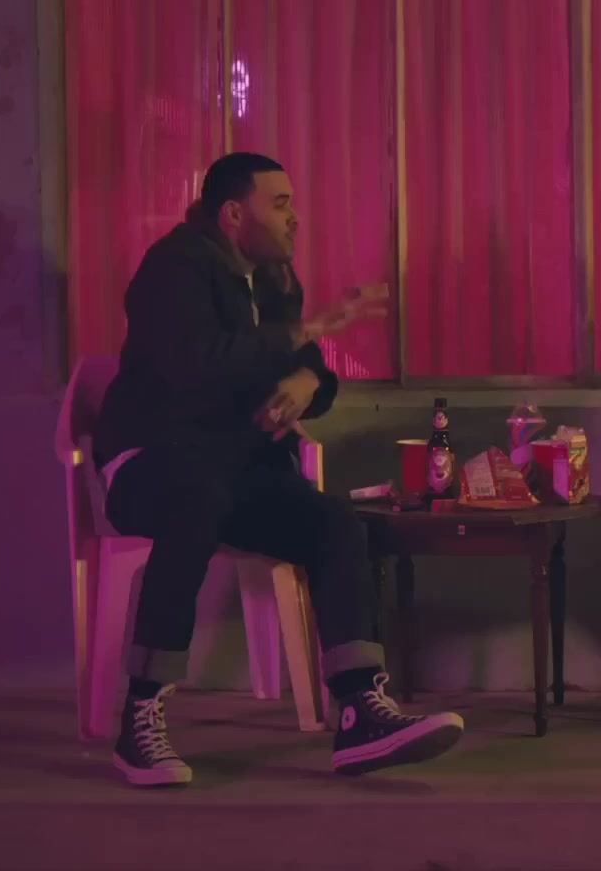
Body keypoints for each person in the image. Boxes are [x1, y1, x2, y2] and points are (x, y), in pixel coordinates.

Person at [92, 152, 464, 787]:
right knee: (198, 500)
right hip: (150, 463)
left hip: (232, 470)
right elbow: (196, 363)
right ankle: (141, 718)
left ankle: (360, 711)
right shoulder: (173, 267)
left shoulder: (272, 279)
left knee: (333, 521)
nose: (296, 218)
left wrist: (305, 380)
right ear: (235, 214)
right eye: (281, 203)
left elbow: (311, 370)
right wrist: (303, 334)